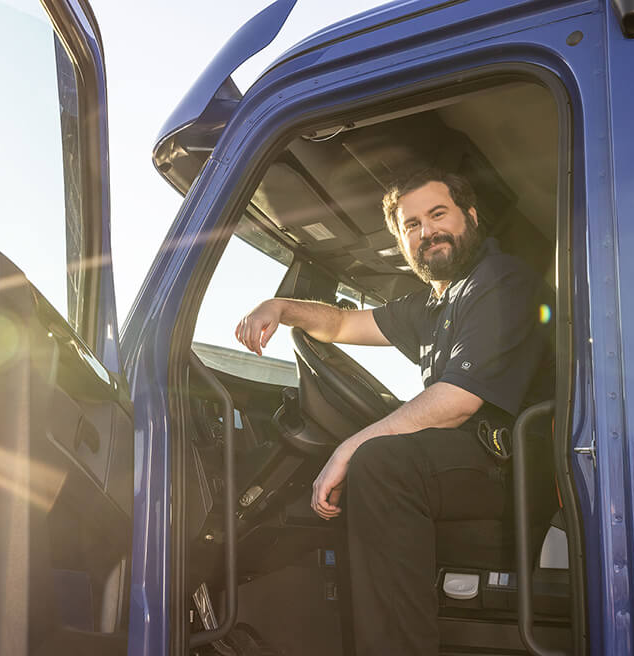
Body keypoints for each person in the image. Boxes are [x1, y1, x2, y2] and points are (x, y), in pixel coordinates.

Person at [234, 168, 554, 655]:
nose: (427, 232)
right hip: (474, 461)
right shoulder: (430, 306)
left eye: (437, 214)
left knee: (382, 464)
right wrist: (279, 306)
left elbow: (456, 402)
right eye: (411, 225)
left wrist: (350, 448)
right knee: (382, 458)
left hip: (516, 469)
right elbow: (341, 321)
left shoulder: (498, 280)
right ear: (404, 242)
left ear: (469, 216)